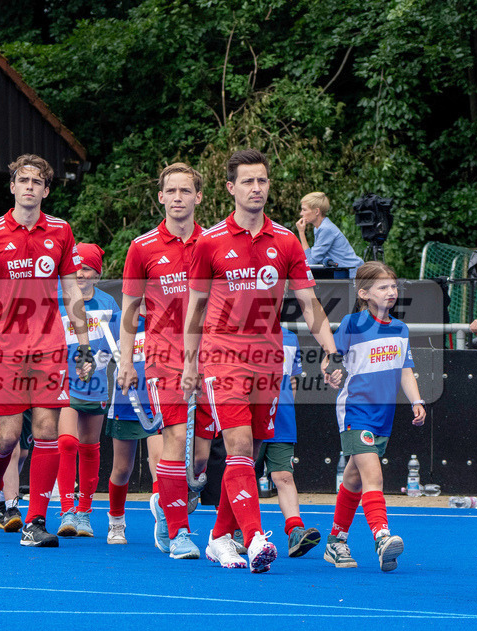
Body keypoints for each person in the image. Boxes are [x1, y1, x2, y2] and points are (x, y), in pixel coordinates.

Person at [183, 149, 342, 573]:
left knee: (250, 454)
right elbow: (195, 309)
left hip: (269, 361)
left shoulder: (286, 240)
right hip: (221, 358)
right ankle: (255, 538)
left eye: (262, 180)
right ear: (231, 187)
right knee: (237, 447)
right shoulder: (209, 241)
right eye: (247, 181)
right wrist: (189, 363)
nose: (256, 188)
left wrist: (331, 352)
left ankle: (219, 537)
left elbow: (309, 304)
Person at [0, 153, 93, 547]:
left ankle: (35, 521)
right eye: (23, 180)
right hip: (5, 348)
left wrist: (84, 345)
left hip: (49, 347)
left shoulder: (61, 230)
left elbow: (72, 290)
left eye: (37, 182)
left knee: (47, 430)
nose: (30, 187)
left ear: (46, 190)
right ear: (12, 187)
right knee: (6, 438)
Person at [117, 162, 216, 560]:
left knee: (200, 458)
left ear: (198, 197)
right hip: (164, 360)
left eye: (185, 191)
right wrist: (126, 361)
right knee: (175, 440)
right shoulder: (142, 247)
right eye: (171, 191)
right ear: (160, 197)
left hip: (211, 361)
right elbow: (129, 310)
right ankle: (179, 532)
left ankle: (169, 500)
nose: (178, 197)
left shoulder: (214, 243)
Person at [322, 261, 424, 571]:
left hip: (384, 415)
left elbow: (405, 369)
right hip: (356, 410)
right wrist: (330, 372)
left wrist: (417, 400)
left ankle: (336, 541)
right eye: (383, 287)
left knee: (354, 478)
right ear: (364, 293)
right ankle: (381, 536)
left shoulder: (400, 329)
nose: (391, 291)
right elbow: (331, 358)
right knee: (373, 475)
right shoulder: (352, 324)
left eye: (393, 286)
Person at [54, 243, 119, 538]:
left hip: (96, 385)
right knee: (67, 442)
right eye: (76, 268)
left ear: (97, 274)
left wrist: (97, 364)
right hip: (63, 382)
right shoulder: (58, 297)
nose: (80, 274)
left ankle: (84, 513)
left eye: (87, 268)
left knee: (90, 448)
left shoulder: (108, 303)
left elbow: (118, 346)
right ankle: (66, 510)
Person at [260, 327, 322, 557]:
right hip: (248, 418)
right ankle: (236, 530)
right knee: (242, 476)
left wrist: (285, 406)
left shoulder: (290, 337)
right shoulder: (242, 332)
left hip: (282, 420)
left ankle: (295, 531)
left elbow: (292, 380)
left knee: (284, 476)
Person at [105, 310, 162, 544]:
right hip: (125, 401)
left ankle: (163, 523)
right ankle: (116, 521)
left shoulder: (164, 315)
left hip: (156, 401)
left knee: (160, 464)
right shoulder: (117, 319)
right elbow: (97, 354)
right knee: (121, 468)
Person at [295, 191, 363, 277]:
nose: (301, 213)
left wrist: (301, 233)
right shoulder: (318, 228)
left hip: (353, 274)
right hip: (343, 274)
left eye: (304, 210)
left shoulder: (326, 229)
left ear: (316, 211)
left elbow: (310, 261)